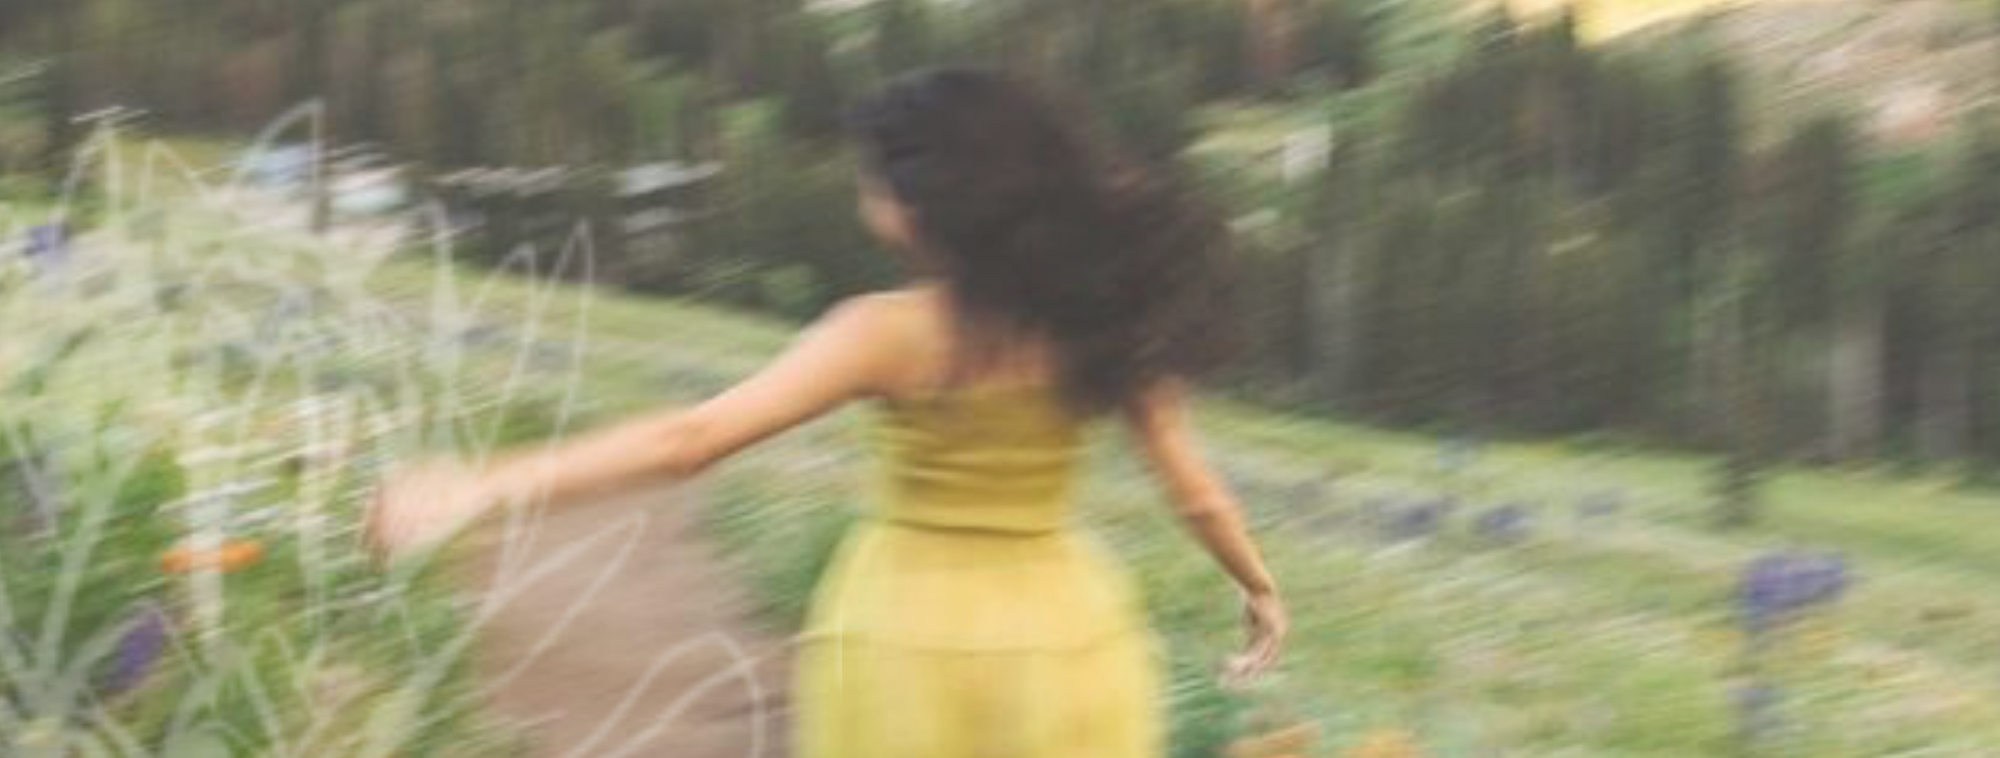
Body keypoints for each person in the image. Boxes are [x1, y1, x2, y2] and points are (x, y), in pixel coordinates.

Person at [366, 67, 1287, 758]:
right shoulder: (1099, 317)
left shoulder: (885, 335)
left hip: (911, 636)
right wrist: (1256, 586)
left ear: (917, 205)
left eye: (874, 178)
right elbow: (1195, 492)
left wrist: (483, 484)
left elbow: (690, 440)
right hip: (1071, 635)